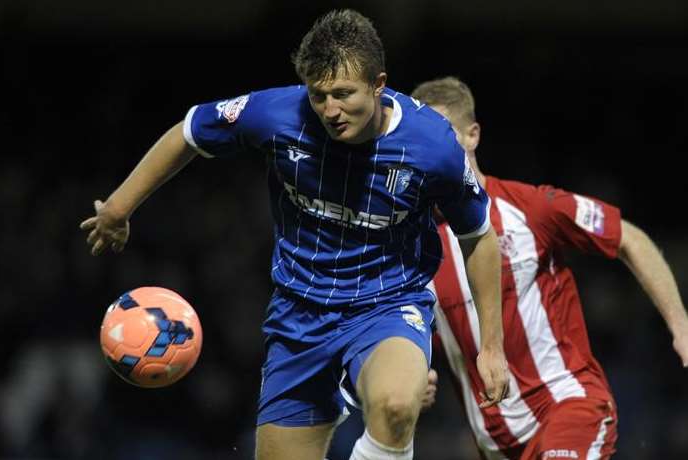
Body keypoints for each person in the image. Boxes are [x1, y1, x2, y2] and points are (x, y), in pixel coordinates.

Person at [80, 11, 509, 460]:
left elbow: (478, 236)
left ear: (379, 84)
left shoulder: (432, 145)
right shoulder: (277, 113)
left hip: (387, 305)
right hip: (298, 316)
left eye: (344, 95)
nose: (330, 110)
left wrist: (491, 347)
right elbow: (188, 132)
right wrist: (119, 206)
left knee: (398, 405)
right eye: (319, 95)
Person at [411, 76, 688, 459]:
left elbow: (629, 239)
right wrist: (410, 376)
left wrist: (681, 326)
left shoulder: (530, 208)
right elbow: (413, 335)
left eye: (443, 138)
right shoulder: (414, 248)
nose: (431, 154)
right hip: (496, 446)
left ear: (472, 135)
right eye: (420, 144)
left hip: (569, 408)